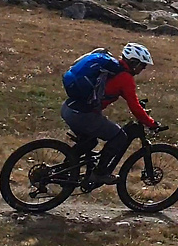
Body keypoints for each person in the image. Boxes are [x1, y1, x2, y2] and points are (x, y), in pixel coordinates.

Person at [60, 42, 158, 189]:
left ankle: (62, 171)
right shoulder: (126, 78)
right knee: (119, 137)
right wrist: (151, 123)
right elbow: (134, 106)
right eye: (142, 65)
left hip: (69, 109)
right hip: (84, 116)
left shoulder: (112, 68)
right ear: (134, 62)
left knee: (90, 142)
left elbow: (124, 96)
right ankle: (100, 173)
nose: (143, 69)